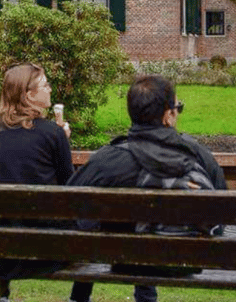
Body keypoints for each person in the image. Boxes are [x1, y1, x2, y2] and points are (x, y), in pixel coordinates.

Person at [66, 74, 227, 302]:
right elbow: (222, 212)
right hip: (185, 262)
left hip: (124, 261)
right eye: (177, 108)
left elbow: (69, 206)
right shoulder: (199, 156)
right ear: (168, 116)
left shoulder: (106, 160)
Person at [0, 62, 74, 302]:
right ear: (28, 95)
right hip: (42, 254)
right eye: (45, 85)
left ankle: (3, 296)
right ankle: (79, 298)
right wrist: (63, 142)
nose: (50, 89)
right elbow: (70, 192)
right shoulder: (53, 133)